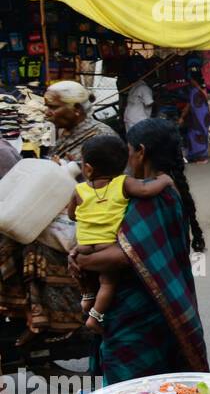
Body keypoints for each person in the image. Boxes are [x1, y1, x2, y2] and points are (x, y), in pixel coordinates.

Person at [69, 119, 208, 384]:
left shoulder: (155, 197)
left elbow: (127, 255)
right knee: (160, 391)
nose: (127, 160)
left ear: (141, 151)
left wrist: (83, 259)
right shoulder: (160, 189)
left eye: (130, 151)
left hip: (140, 313)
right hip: (156, 306)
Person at [0, 81, 117, 341]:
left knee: (27, 241)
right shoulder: (62, 133)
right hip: (59, 210)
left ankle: (39, 316)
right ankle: (21, 310)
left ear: (76, 109)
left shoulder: (100, 137)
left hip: (92, 217)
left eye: (53, 107)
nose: (47, 112)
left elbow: (105, 188)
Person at [68, 134, 177, 333]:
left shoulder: (79, 189)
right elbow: (145, 190)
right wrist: (164, 180)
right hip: (107, 245)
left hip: (83, 246)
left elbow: (72, 214)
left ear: (88, 169)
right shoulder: (123, 183)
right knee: (107, 282)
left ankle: (86, 298)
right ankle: (95, 317)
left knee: (83, 272)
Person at [179, 72, 210, 164]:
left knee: (195, 136)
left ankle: (202, 158)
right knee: (199, 136)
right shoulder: (202, 91)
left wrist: (182, 117)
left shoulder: (194, 91)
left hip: (198, 118)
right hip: (203, 118)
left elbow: (188, 106)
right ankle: (198, 157)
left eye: (191, 80)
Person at [120, 69, 154, 134]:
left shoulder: (134, 87)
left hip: (129, 117)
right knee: (140, 139)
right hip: (138, 119)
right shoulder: (144, 87)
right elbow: (149, 103)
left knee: (131, 139)